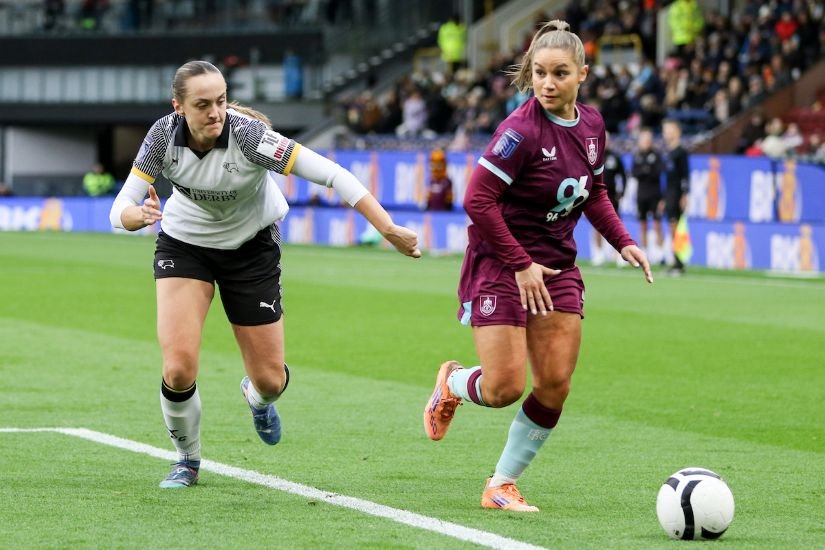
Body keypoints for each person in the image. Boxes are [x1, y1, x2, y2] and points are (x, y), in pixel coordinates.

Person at [109, 60, 420, 489]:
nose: (215, 112)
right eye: (203, 105)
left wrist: (386, 227)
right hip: (185, 246)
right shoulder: (163, 135)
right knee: (178, 367)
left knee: (271, 381)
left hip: (251, 249)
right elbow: (117, 209)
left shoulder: (250, 137)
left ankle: (257, 399)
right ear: (178, 106)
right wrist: (136, 216)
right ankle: (187, 460)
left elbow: (333, 174)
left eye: (220, 101)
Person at [422, 20, 652, 512]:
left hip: (557, 268)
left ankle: (500, 484)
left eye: (560, 74)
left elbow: (595, 192)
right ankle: (455, 384)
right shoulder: (519, 132)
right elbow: (476, 200)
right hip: (500, 263)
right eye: (540, 73)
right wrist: (521, 263)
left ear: (582, 75)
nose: (548, 83)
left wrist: (623, 241)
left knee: (554, 384)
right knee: (505, 387)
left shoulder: (592, 126)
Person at [590, 131, 626, 265]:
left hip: (611, 197)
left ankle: (618, 255)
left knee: (616, 225)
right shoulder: (593, 156)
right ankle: (598, 253)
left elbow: (623, 176)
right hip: (595, 198)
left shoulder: (615, 157)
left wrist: (622, 193)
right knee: (596, 226)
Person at [662, 119, 690, 275]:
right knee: (672, 227)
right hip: (669, 193)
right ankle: (675, 260)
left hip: (677, 193)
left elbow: (686, 175)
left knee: (677, 228)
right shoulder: (668, 151)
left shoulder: (681, 152)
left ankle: (679, 262)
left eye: (669, 130)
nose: (666, 133)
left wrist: (685, 194)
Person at [631, 127, 664, 260]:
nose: (646, 142)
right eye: (643, 140)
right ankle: (644, 252)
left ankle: (660, 253)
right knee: (643, 224)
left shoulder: (656, 155)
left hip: (655, 195)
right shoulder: (637, 156)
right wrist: (646, 171)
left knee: (657, 223)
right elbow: (634, 173)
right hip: (641, 195)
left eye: (648, 140)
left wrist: (645, 171)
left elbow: (658, 172)